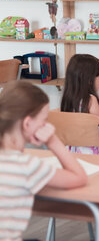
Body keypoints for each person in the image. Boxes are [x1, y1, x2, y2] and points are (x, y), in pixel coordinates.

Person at [0, 81, 87, 240]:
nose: (46, 125)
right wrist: (52, 141)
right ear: (27, 123)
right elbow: (79, 177)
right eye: (44, 120)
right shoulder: (25, 165)